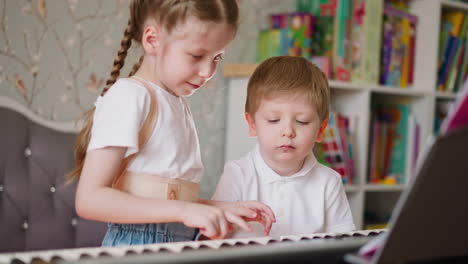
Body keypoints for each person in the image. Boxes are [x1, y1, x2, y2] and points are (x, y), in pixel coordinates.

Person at [68, 0, 275, 246]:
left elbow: (165, 199)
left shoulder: (176, 104)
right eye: (197, 55)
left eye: (217, 57)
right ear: (153, 40)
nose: (208, 71)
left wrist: (222, 208)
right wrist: (185, 212)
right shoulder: (130, 96)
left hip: (176, 246)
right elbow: (90, 199)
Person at [212, 56, 355, 238]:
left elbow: (342, 244)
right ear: (252, 124)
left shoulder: (329, 182)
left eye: (302, 121)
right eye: (274, 120)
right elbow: (214, 237)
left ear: (320, 130)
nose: (288, 131)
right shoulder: (237, 174)